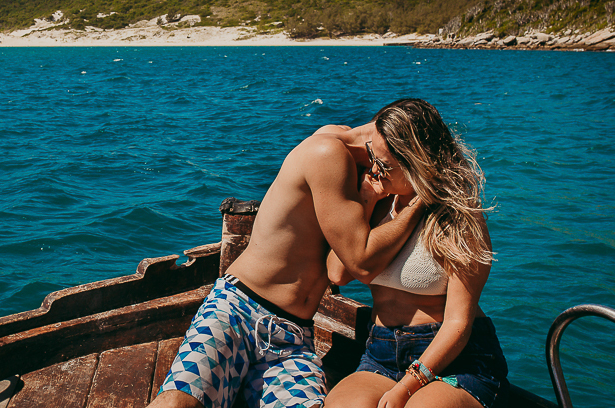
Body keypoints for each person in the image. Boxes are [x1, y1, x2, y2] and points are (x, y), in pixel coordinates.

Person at [150, 99, 444, 408]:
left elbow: (340, 272)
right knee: (178, 402)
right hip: (237, 308)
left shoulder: (373, 178)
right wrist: (421, 200)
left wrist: (370, 199)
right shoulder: (328, 153)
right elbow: (361, 262)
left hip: (291, 335)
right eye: (414, 172)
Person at [325, 101, 508, 408]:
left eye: (384, 165)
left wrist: (407, 386)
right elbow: (338, 273)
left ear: (416, 163)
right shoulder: (378, 197)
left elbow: (458, 323)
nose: (373, 169)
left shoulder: (458, 218)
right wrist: (366, 203)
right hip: (381, 353)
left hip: (454, 360)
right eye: (372, 156)